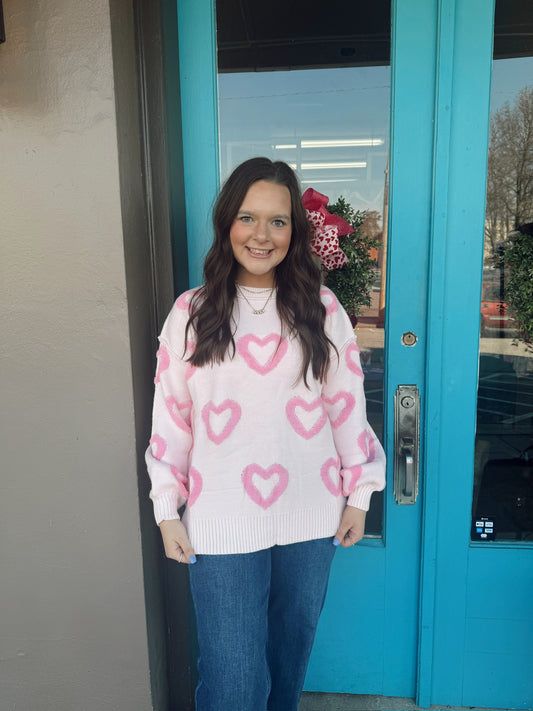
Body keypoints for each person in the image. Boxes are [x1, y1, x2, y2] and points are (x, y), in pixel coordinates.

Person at [145, 157, 386, 711]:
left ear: (295, 232)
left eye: (278, 221)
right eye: (248, 218)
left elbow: (345, 406)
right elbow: (172, 417)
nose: (262, 235)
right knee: (232, 678)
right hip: (221, 518)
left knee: (288, 659)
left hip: (311, 514)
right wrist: (166, 508)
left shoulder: (322, 309)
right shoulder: (192, 312)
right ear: (227, 223)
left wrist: (359, 495)